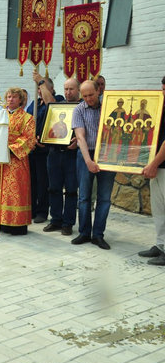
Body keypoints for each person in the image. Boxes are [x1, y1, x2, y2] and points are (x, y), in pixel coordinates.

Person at [0, 88, 36, 234]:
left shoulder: (27, 118)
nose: (10, 99)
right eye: (9, 97)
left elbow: (29, 138)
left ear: (21, 100)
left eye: (14, 97)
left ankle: (14, 223)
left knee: (14, 191)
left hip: (15, 160)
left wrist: (10, 148)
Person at [71, 80, 115, 250]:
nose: (88, 98)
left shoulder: (109, 107)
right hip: (85, 154)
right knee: (84, 197)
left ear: (99, 91)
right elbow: (80, 137)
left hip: (107, 155)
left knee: (104, 198)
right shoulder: (79, 110)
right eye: (85, 95)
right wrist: (88, 161)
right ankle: (83, 233)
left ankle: (98, 235)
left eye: (91, 94)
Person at [44, 78, 81, 236]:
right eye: (66, 89)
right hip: (54, 153)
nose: (68, 92)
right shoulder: (57, 106)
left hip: (72, 155)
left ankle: (68, 223)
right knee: (53, 188)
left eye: (71, 89)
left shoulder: (82, 107)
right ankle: (56, 220)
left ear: (78, 90)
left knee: (71, 190)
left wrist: (78, 141)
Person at [28, 71, 64, 223]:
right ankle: (32, 209)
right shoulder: (35, 103)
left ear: (51, 88)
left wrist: (41, 82)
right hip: (32, 147)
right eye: (38, 88)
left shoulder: (58, 99)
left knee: (44, 182)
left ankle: (42, 211)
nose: (40, 91)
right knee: (33, 181)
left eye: (42, 88)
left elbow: (53, 107)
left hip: (46, 149)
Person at [139, 76, 165, 266]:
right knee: (159, 210)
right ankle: (161, 244)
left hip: (161, 166)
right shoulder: (160, 109)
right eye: (162, 88)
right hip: (156, 167)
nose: (163, 92)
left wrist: (154, 164)